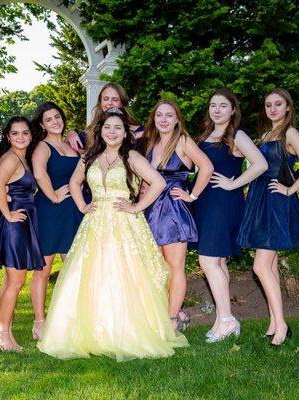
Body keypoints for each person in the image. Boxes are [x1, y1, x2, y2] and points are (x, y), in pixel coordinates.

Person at [37, 108, 188, 361]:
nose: (112, 132)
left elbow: (159, 183)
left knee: (125, 274)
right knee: (91, 275)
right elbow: (75, 183)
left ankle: (126, 332)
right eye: (108, 127)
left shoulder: (131, 157)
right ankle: (93, 332)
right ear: (101, 130)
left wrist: (137, 207)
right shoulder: (89, 157)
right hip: (95, 222)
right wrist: (83, 206)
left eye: (118, 127)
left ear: (124, 132)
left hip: (125, 222)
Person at [236, 88, 299, 346]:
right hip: (260, 199)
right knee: (269, 265)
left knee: (260, 266)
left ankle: (282, 326)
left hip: (275, 200)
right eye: (268, 104)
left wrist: (291, 189)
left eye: (277, 104)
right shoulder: (264, 135)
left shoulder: (290, 133)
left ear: (287, 108)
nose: (272, 109)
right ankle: (274, 322)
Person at [191, 89, 268, 343]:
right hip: (206, 202)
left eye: (223, 106)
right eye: (213, 105)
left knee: (208, 261)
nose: (217, 110)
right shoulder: (205, 135)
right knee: (218, 262)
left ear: (233, 110)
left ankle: (226, 319)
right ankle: (223, 318)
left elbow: (260, 164)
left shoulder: (237, 135)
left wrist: (234, 184)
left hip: (223, 202)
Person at [138, 99, 214, 331]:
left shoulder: (182, 141)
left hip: (173, 209)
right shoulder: (150, 142)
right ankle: (167, 312)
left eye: (169, 115)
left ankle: (172, 320)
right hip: (150, 209)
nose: (163, 119)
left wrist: (192, 195)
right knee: (156, 266)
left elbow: (207, 167)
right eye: (159, 115)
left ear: (177, 120)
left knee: (175, 267)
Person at [0, 116, 45, 352]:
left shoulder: (21, 158)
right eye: (15, 133)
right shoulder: (12, 158)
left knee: (13, 282)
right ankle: (2, 334)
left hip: (23, 222)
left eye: (25, 133)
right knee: (15, 281)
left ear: (31, 136)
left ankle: (5, 334)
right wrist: (8, 213)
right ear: (8, 136)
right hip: (15, 224)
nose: (21, 137)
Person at [30, 102, 83, 340]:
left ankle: (70, 319)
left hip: (73, 211)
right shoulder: (42, 146)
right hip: (50, 211)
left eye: (57, 117)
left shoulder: (71, 144)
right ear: (42, 124)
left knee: (73, 268)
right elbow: (39, 173)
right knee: (44, 268)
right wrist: (53, 196)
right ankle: (39, 322)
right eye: (49, 119)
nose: (55, 121)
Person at [66, 82, 143, 152]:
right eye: (106, 99)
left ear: (122, 104)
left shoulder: (139, 131)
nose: (110, 103)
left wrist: (140, 134)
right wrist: (70, 133)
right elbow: (65, 149)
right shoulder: (89, 133)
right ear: (100, 103)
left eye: (115, 99)